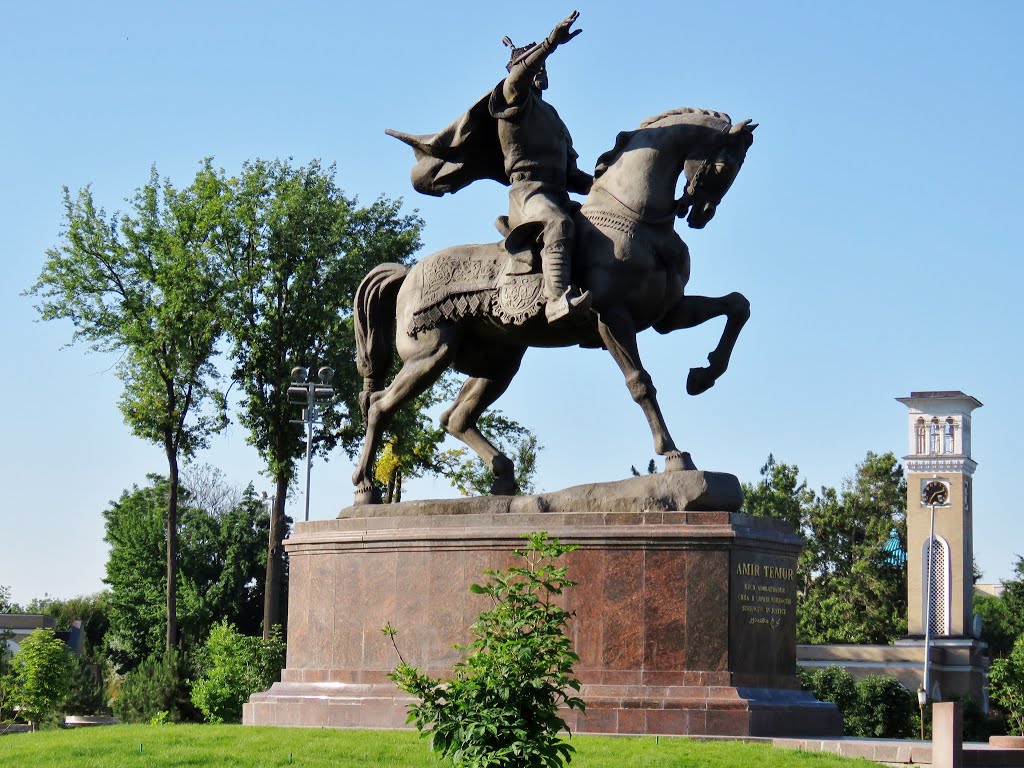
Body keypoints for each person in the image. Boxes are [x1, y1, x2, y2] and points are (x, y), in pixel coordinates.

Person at [386, 11, 593, 323]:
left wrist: (611, 182)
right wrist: (550, 43)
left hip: (558, 193)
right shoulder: (513, 99)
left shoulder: (553, 117)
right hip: (530, 195)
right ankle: (554, 300)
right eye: (537, 63)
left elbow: (573, 176)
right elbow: (518, 78)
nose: (542, 69)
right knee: (557, 225)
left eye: (544, 64)